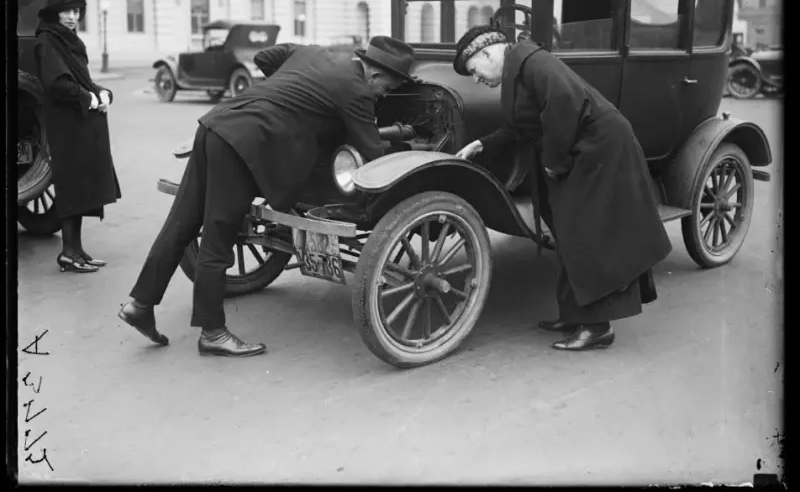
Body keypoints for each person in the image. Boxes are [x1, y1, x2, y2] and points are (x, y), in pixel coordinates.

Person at [118, 36, 416, 357]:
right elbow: (371, 151)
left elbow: (265, 56)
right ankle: (213, 332)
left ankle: (140, 304)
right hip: (245, 141)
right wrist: (409, 148)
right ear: (376, 75)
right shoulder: (357, 90)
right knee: (219, 236)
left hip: (215, 124)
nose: (383, 95)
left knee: (182, 223)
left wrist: (280, 95)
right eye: (386, 89)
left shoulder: (313, 52)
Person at [453, 24, 672, 351]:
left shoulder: (534, 63)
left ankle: (598, 328)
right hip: (582, 151)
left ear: (487, 53)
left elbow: (564, 109)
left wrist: (553, 162)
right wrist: (483, 144)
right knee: (570, 235)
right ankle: (574, 314)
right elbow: (523, 126)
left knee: (589, 236)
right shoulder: (520, 67)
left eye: (474, 71)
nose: (477, 79)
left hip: (600, 151)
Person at [33, 0, 121, 273]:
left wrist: (103, 92)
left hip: (80, 123)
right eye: (67, 11)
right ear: (55, 11)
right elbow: (57, 84)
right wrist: (89, 98)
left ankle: (77, 250)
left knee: (82, 187)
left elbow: (82, 79)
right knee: (72, 186)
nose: (73, 17)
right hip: (66, 124)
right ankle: (68, 253)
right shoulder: (48, 39)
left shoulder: (69, 40)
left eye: (77, 11)